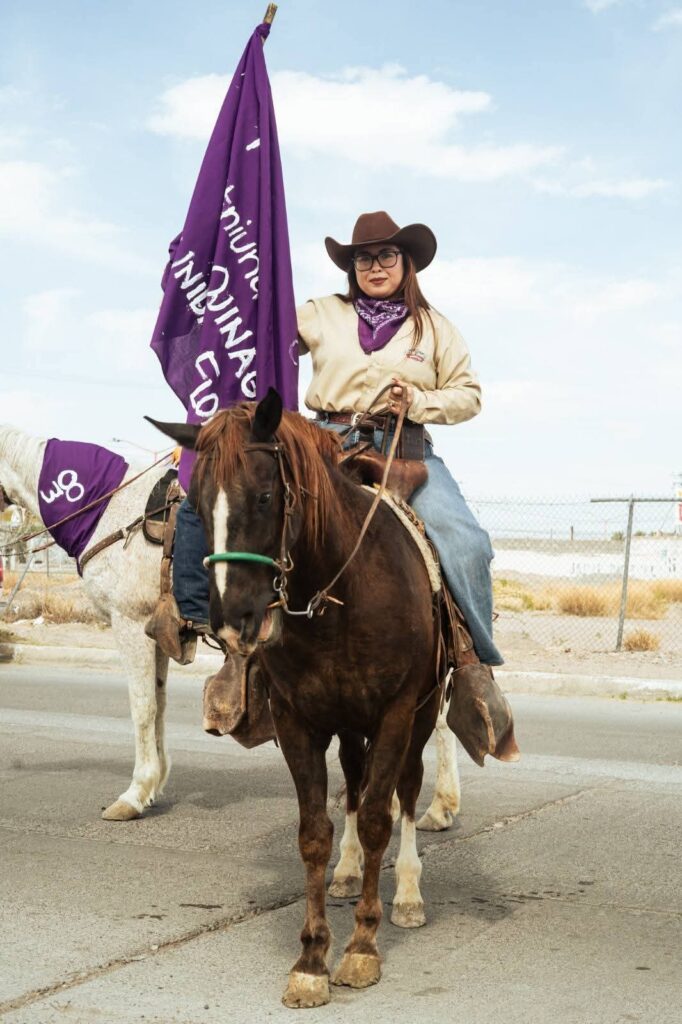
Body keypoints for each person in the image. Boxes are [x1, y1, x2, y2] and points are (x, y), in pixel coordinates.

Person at [153, 210, 505, 747]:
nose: (375, 266)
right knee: (240, 509)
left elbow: (470, 395)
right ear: (352, 267)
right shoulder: (321, 313)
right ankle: (238, 652)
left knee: (467, 542)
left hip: (404, 448)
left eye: (387, 256)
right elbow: (258, 331)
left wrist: (419, 400)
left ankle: (471, 661)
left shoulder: (435, 328)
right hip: (325, 443)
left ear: (406, 263)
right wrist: (207, 273)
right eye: (364, 258)